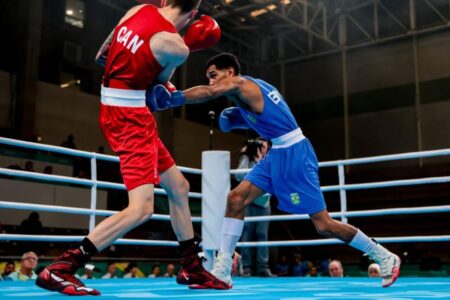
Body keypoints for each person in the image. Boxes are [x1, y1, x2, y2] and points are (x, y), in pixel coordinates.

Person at [147, 52, 401, 289]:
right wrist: (234, 117)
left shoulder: (243, 84)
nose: (211, 81)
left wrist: (175, 97)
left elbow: (209, 93)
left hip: (295, 153)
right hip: (276, 154)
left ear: (230, 72)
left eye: (214, 75)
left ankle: (384, 256)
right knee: (235, 199)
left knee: (323, 225)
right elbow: (240, 122)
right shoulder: (244, 97)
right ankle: (223, 272)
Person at [35, 1, 226, 296]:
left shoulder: (139, 9)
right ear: (192, 15)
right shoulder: (176, 46)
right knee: (141, 209)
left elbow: (103, 55)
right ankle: (62, 267)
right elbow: (157, 91)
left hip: (115, 105)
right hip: (131, 117)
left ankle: (191, 266)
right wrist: (184, 46)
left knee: (179, 186)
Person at [235, 138, 275, 277]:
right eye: (258, 145)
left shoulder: (270, 159)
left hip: (264, 204)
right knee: (246, 235)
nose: (260, 148)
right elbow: (238, 176)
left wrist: (259, 162)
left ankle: (263, 268)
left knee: (262, 235)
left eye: (262, 145)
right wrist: (245, 156)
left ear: (267, 148)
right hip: (249, 203)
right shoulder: (248, 160)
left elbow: (270, 178)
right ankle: (247, 267)